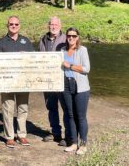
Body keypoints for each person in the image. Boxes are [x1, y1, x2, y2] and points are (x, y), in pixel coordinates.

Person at [0, 15, 34, 148]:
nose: (14, 26)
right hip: (7, 82)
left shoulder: (26, 41)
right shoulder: (1, 42)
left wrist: (26, 56)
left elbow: (33, 60)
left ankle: (21, 135)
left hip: (23, 81)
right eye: (11, 24)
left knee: (23, 108)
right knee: (8, 109)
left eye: (16, 24)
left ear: (19, 25)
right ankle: (9, 137)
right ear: (7, 25)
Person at [38, 16, 70, 146]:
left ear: (60, 26)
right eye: (51, 24)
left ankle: (68, 136)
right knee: (51, 107)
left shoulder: (66, 39)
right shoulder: (43, 39)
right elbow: (39, 57)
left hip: (63, 80)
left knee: (66, 108)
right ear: (48, 26)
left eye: (56, 24)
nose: (54, 26)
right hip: (47, 80)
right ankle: (56, 133)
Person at [61, 27, 90, 155]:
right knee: (70, 115)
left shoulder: (83, 50)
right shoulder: (62, 50)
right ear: (66, 37)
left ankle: (83, 144)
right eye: (69, 36)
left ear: (77, 37)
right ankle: (73, 143)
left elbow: (86, 69)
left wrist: (71, 66)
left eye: (74, 36)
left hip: (80, 86)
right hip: (65, 85)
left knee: (81, 116)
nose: (71, 38)